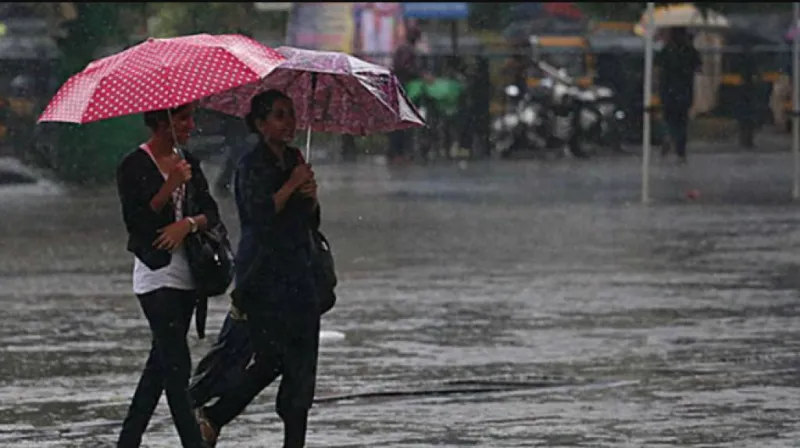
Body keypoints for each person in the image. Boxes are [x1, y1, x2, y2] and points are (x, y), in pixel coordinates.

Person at [195, 90, 322, 448]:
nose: (289, 123)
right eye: (280, 115)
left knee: (301, 370)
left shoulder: (296, 159)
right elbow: (259, 217)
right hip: (265, 279)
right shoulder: (251, 165)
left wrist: (311, 196)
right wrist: (293, 184)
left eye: (291, 114)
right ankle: (215, 414)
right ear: (261, 123)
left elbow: (308, 221)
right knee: (270, 359)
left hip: (302, 277)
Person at [116, 103, 221, 448]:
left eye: (190, 117)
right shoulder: (133, 166)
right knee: (177, 366)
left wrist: (186, 224)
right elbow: (138, 224)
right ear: (161, 122)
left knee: (159, 367)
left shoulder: (188, 160)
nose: (190, 125)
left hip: (188, 274)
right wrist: (169, 186)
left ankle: (127, 441)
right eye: (182, 118)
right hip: (155, 276)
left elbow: (211, 213)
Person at [657, 27, 701, 163]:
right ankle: (680, 151)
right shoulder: (690, 50)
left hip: (668, 90)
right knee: (682, 122)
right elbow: (698, 67)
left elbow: (658, 68)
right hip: (685, 90)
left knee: (669, 118)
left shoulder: (666, 50)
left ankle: (668, 137)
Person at [389, 25, 424, 164]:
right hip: (404, 88)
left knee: (399, 122)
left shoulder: (403, 48)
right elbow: (404, 67)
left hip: (399, 87)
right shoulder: (407, 50)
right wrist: (420, 74)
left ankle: (397, 153)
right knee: (403, 122)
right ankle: (398, 153)